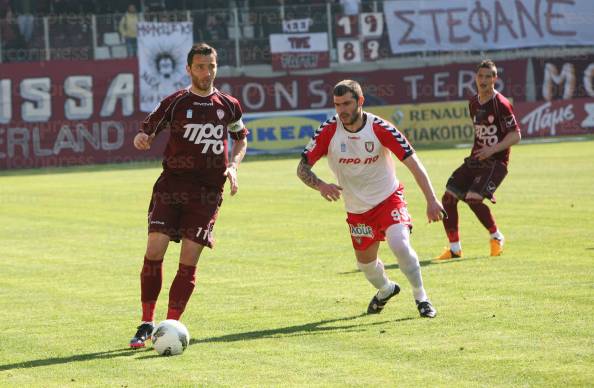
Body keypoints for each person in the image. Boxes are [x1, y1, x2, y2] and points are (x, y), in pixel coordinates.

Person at [129, 43, 248, 348]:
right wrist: (143, 138)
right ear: (188, 69)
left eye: (211, 66)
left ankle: (169, 325)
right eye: (200, 67)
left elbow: (240, 139)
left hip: (207, 193)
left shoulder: (230, 105)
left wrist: (234, 166)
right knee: (155, 250)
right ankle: (146, 322)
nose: (206, 73)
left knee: (188, 262)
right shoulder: (175, 102)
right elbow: (147, 131)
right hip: (171, 186)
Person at [297, 80, 444, 318]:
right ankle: (386, 289)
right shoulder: (328, 130)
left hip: (388, 199)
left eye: (346, 103)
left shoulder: (380, 128)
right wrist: (321, 185)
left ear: (360, 102)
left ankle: (422, 298)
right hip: (357, 210)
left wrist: (431, 200)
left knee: (400, 245)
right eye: (337, 105)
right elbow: (302, 168)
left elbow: (413, 162)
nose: (341, 110)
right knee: (366, 265)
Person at [436, 59, 521, 260]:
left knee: (473, 199)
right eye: (480, 76)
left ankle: (496, 237)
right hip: (476, 160)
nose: (483, 80)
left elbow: (515, 135)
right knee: (448, 198)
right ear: (475, 77)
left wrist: (493, 149)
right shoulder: (473, 102)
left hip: (496, 162)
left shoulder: (501, 104)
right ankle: (455, 248)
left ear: (495, 79)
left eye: (488, 76)